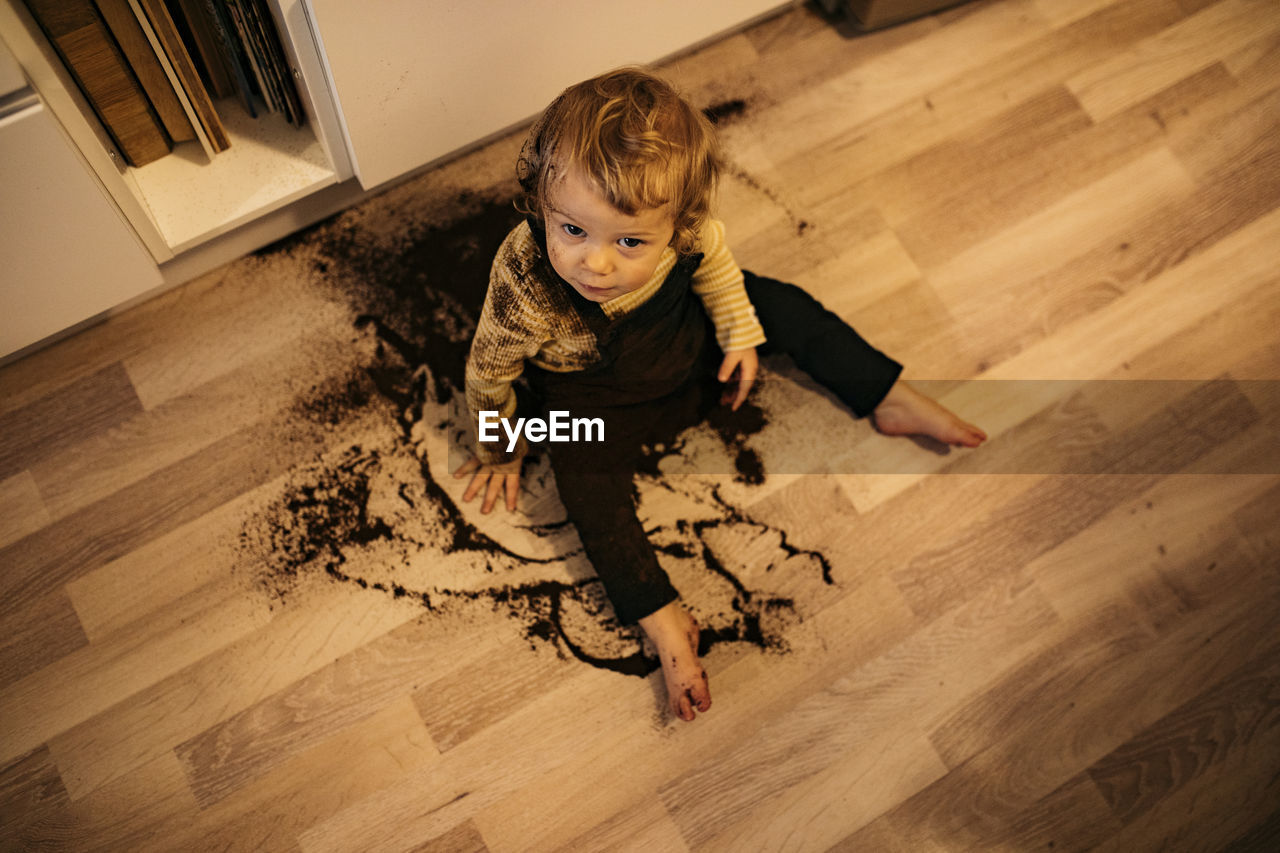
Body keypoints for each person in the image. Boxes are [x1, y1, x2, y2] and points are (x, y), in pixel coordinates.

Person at [453, 67, 985, 722]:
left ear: (677, 220)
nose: (596, 264)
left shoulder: (689, 230)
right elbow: (489, 373)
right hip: (595, 396)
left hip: (689, 345)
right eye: (573, 231)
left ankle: (884, 391)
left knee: (784, 304)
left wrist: (738, 334)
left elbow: (719, 268)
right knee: (582, 478)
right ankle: (659, 614)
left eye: (628, 241)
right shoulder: (526, 279)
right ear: (539, 199)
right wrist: (500, 446)